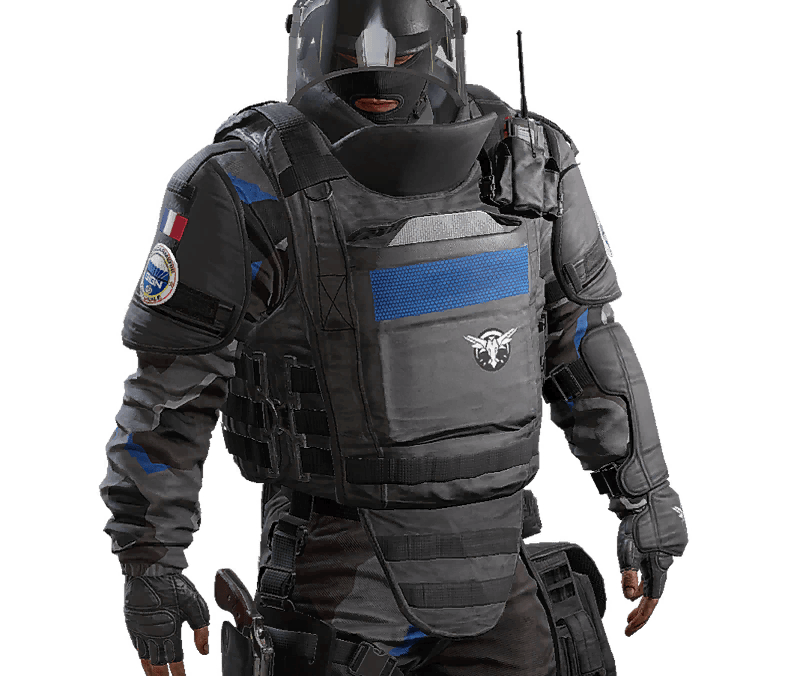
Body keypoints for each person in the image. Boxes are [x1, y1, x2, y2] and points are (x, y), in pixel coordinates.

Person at [99, 1, 689, 675]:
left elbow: (584, 343)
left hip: (497, 568)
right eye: (355, 49)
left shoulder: (527, 163)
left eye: (396, 47)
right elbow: (172, 392)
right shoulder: (244, 183)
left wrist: (646, 502)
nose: (377, 66)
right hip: (338, 571)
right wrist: (149, 565)